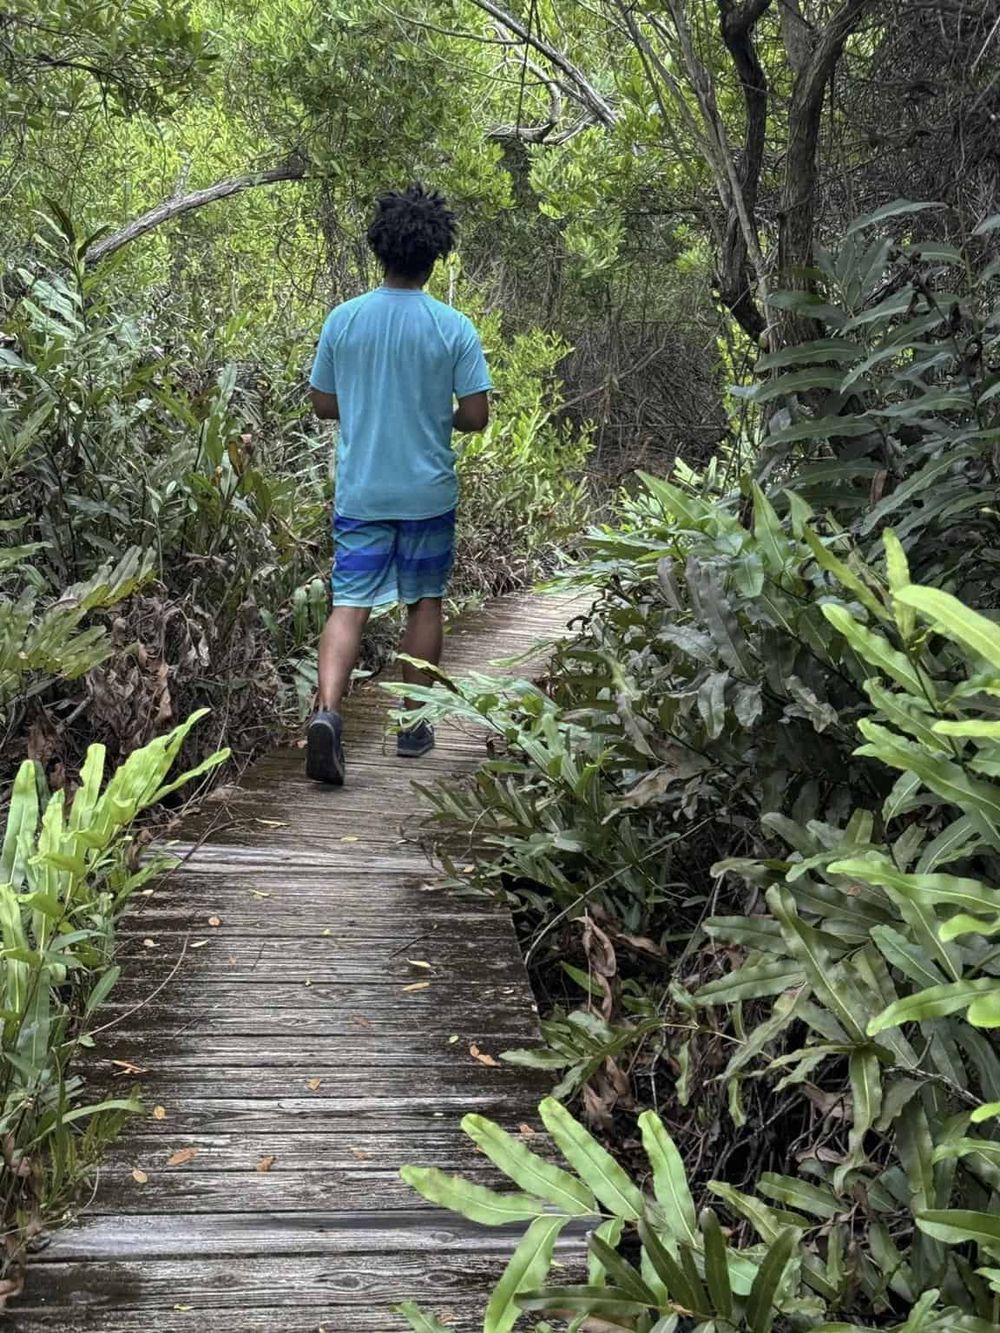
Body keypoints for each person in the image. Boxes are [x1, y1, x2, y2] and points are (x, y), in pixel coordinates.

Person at [304, 184, 491, 786]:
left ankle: (327, 713)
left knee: (349, 604)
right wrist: (438, 414)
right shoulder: (452, 328)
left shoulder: (345, 320)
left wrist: (363, 403)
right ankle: (413, 722)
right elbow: (477, 414)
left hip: (362, 491)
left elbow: (321, 403)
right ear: (435, 256)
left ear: (378, 249)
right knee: (425, 600)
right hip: (426, 493)